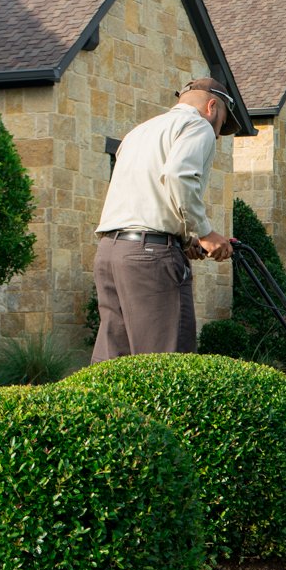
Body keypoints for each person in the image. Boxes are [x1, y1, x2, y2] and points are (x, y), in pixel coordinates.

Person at [91, 77, 236, 362]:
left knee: (112, 367)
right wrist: (205, 232)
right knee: (167, 365)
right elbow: (178, 176)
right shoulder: (197, 126)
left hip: (110, 253)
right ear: (212, 107)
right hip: (150, 258)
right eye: (221, 125)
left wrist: (184, 240)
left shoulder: (139, 132)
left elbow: (144, 197)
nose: (217, 135)